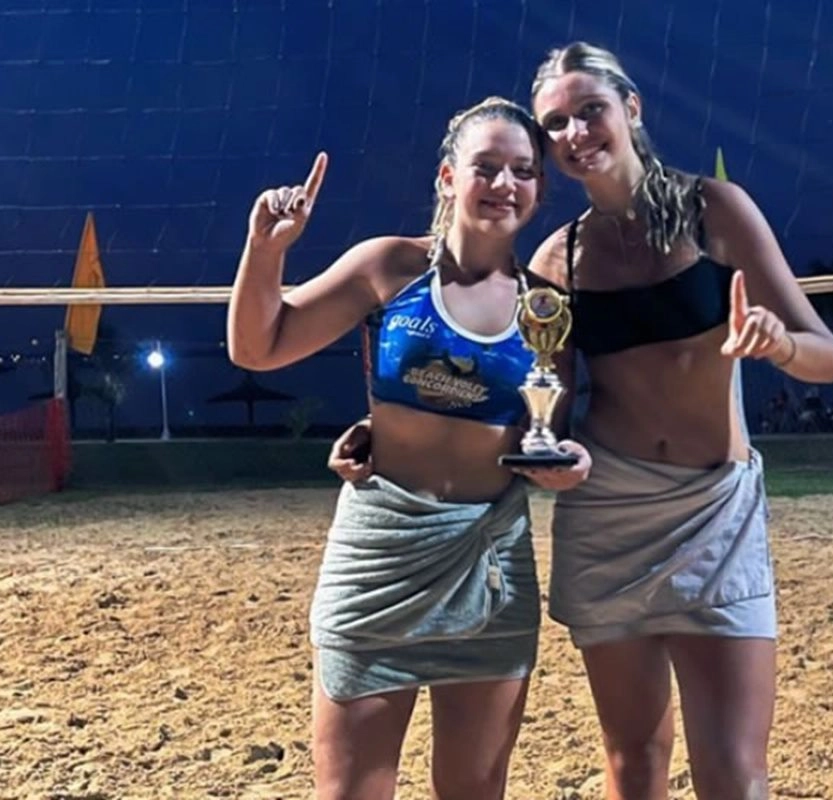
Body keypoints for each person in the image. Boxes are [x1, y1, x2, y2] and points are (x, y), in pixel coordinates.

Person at [228, 96, 590, 800]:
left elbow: (549, 434)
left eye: (522, 170)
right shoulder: (388, 268)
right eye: (486, 166)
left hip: (489, 563)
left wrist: (565, 466)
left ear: (539, 190)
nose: (504, 183)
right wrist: (266, 250)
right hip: (380, 555)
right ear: (449, 177)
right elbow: (257, 345)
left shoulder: (545, 309)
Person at [525, 42, 833, 800]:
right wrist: (542, 452)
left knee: (734, 770)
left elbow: (828, 355)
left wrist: (780, 343)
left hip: (717, 514)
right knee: (633, 760)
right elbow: (552, 404)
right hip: (609, 518)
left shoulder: (715, 210)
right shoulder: (556, 261)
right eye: (556, 124)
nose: (575, 132)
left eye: (590, 110)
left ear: (631, 109)